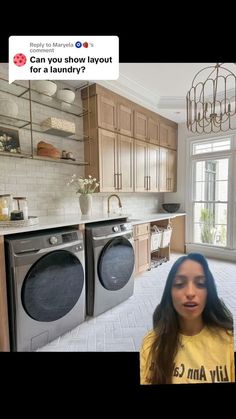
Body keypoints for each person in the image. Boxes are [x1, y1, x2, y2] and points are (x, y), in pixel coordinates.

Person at [140, 253, 235, 384]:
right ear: (170, 293)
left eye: (200, 284)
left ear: (209, 292)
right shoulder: (151, 343)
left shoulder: (228, 341)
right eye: (179, 284)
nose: (190, 292)